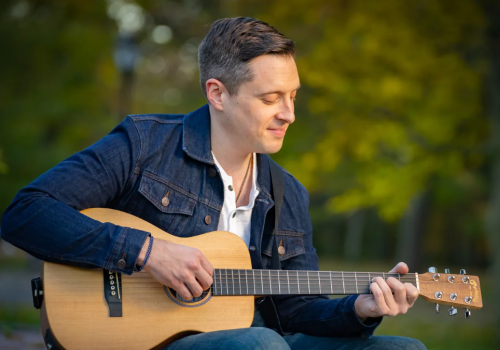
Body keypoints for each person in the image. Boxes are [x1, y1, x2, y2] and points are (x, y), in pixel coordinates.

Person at [1, 17, 426, 350]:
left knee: (404, 347)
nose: (289, 114)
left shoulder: (288, 192)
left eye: (293, 96)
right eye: (270, 98)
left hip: (260, 340)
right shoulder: (144, 144)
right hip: (151, 340)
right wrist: (146, 252)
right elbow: (26, 212)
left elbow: (294, 311)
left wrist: (360, 310)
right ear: (217, 93)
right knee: (260, 344)